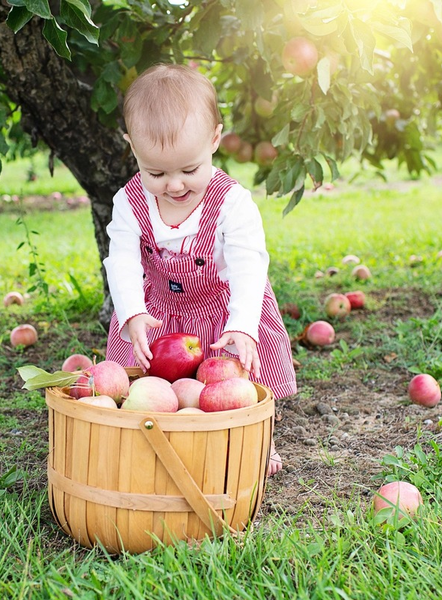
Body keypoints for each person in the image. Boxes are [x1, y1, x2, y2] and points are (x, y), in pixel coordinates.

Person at [103, 63, 296, 476]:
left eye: (189, 170)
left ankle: (258, 441)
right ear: (132, 148)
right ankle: (155, 441)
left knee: (236, 383)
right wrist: (133, 313)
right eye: (156, 172)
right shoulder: (129, 202)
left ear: (214, 140)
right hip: (158, 312)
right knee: (148, 385)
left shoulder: (231, 202)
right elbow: (121, 258)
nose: (174, 185)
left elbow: (249, 263)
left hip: (222, 311)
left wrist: (244, 324)